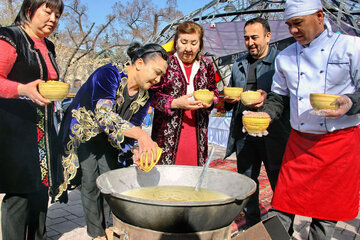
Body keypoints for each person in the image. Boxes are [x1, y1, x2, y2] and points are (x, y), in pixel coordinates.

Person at [257, 0, 360, 239]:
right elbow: (278, 98)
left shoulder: (352, 47)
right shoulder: (285, 57)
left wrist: (350, 103)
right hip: (300, 142)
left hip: (340, 143)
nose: (293, 31)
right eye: (290, 24)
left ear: (320, 15)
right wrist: (266, 114)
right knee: (282, 204)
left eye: (298, 23)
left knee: (325, 216)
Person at [57, 42, 169, 239]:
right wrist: (142, 136)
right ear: (140, 63)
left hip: (111, 137)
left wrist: (137, 147)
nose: (158, 79)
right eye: (157, 72)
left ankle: (106, 226)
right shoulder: (109, 74)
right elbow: (104, 115)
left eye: (161, 76)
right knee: (90, 181)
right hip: (86, 132)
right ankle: (96, 233)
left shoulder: (146, 93)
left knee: (109, 181)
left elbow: (135, 123)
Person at [0, 0, 64, 239]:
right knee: (19, 195)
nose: (53, 19)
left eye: (57, 15)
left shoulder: (48, 46)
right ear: (29, 10)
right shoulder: (10, 37)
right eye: (48, 12)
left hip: (44, 128)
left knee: (40, 190)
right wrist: (22, 89)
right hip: (15, 129)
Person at [223, 17, 290, 228]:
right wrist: (227, 101)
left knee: (279, 184)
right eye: (246, 38)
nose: (250, 42)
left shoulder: (281, 62)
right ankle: (251, 226)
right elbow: (230, 98)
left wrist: (267, 98)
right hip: (244, 135)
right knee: (247, 183)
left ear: (268, 36)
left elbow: (287, 98)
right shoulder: (239, 64)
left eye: (255, 37)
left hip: (273, 135)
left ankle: (280, 229)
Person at [151, 21, 219, 166]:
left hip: (197, 131)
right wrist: (175, 103)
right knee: (167, 179)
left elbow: (215, 92)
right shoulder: (166, 63)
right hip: (166, 133)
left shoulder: (207, 65)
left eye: (194, 43)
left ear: (200, 45)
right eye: (184, 42)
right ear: (176, 42)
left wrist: (211, 101)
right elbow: (152, 96)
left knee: (193, 177)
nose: (188, 48)